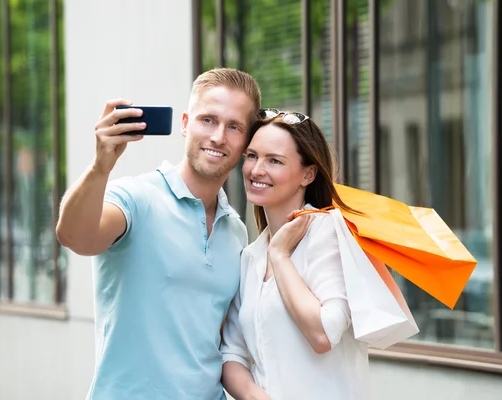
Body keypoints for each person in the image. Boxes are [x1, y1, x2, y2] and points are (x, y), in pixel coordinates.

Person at [55, 68, 261, 400]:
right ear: (184, 124)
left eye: (234, 126)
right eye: (208, 120)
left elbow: (224, 344)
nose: (219, 136)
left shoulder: (236, 231)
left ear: (246, 141)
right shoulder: (137, 199)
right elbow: (75, 237)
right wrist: (100, 167)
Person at [220, 109, 371, 400]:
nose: (256, 170)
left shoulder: (329, 233)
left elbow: (323, 334)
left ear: (308, 174)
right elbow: (232, 352)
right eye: (252, 156)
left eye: (274, 160)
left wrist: (280, 256)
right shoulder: (251, 256)